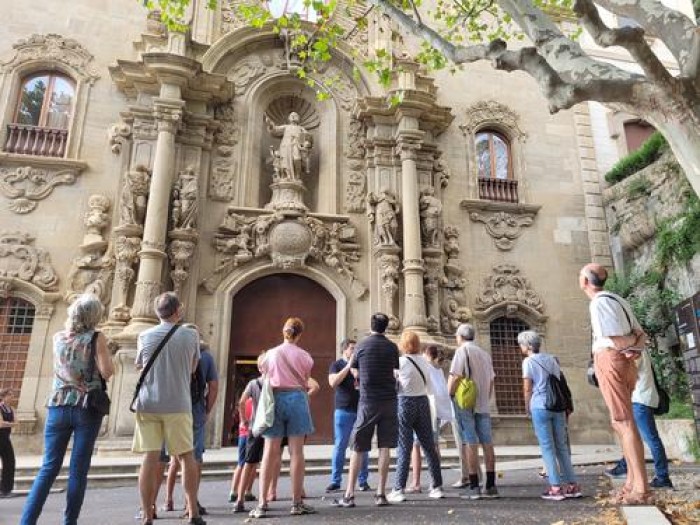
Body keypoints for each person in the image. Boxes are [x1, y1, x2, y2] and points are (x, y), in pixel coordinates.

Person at [20, 294, 114, 525]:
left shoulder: (57, 337)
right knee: (78, 471)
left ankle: (27, 521)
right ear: (94, 316)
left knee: (48, 468)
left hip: (57, 405)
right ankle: (69, 522)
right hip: (86, 407)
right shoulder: (96, 338)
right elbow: (107, 371)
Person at [580, 263, 652, 505]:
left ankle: (641, 489)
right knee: (623, 422)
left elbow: (616, 340)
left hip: (610, 360)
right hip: (625, 363)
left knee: (623, 422)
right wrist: (632, 345)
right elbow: (642, 337)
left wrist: (627, 344)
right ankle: (632, 483)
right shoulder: (619, 300)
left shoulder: (599, 303)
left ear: (585, 282)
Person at [132, 292, 204, 525]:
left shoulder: (144, 335)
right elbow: (193, 368)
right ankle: (192, 511)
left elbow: (139, 365)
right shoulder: (191, 335)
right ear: (178, 310)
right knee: (186, 456)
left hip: (148, 403)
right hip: (178, 403)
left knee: (149, 457)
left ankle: (147, 513)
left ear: (156, 312)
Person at [249, 317, 315, 518]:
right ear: (300, 334)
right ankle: (296, 502)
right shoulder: (305, 356)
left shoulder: (270, 354)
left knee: (270, 451)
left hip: (274, 400)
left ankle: (262, 503)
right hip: (297, 398)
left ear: (283, 332)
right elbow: (305, 380)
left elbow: (264, 372)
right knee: (297, 453)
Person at [333, 313, 400, 508]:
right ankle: (380, 493)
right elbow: (395, 370)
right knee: (384, 447)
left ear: (371, 326)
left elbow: (354, 369)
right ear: (386, 327)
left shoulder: (361, 345)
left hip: (367, 401)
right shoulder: (392, 346)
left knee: (358, 447)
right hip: (389, 401)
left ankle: (349, 494)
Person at [160, 325, 219, 517]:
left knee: (173, 460)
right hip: (194, 408)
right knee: (194, 459)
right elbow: (213, 386)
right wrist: (207, 410)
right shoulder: (206, 357)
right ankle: (191, 502)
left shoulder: (172, 351)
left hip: (171, 407)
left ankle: (167, 500)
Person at [518, 330, 582, 500]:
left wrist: (527, 407)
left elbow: (527, 387)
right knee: (561, 446)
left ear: (528, 345)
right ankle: (572, 485)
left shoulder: (528, 362)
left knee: (547, 447)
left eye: (521, 344)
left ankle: (555, 487)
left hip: (540, 406)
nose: (520, 347)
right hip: (557, 406)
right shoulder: (552, 359)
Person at [604, 348, 673, 489]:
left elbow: (628, 375)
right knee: (632, 435)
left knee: (651, 439)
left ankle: (663, 477)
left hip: (639, 399)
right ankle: (625, 466)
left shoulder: (634, 351)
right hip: (641, 399)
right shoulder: (640, 349)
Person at [388, 331, 444, 502]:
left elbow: (397, 385)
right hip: (422, 402)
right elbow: (428, 384)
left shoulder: (401, 362)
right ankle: (437, 487)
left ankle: (398, 489)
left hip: (405, 403)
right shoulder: (425, 362)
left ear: (403, 344)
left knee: (404, 446)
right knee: (429, 446)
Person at [448, 323, 499, 500]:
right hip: (483, 403)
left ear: (460, 337)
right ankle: (491, 485)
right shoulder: (484, 354)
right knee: (487, 443)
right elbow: (492, 379)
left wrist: (450, 393)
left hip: (466, 403)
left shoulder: (462, 352)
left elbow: (456, 376)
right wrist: (485, 396)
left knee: (470, 442)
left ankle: (474, 485)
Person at [408, 345, 461, 492]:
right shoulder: (438, 370)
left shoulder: (426, 368)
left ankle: (416, 483)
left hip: (424, 410)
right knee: (434, 446)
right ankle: (436, 482)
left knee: (416, 446)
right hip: (436, 412)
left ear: (427, 354)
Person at [326, 338, 371, 493]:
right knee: (340, 445)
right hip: (343, 410)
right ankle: (335, 480)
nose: (355, 350)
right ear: (345, 350)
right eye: (352, 348)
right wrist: (348, 367)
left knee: (362, 446)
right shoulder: (337, 364)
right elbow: (333, 382)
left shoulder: (362, 365)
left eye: (356, 348)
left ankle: (363, 481)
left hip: (361, 410)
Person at [232, 354, 266, 514]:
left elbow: (241, 401)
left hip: (254, 428)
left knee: (248, 463)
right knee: (266, 463)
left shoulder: (253, 383)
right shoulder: (275, 382)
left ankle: (239, 499)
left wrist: (244, 421)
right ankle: (262, 500)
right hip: (271, 428)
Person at [0, 387, 17, 498]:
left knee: (10, 462)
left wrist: (7, 423)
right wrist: (10, 423)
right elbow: (0, 424)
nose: (12, 397)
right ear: (4, 396)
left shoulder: (11, 409)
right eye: (10, 395)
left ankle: (6, 489)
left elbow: (17, 422)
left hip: (6, 438)